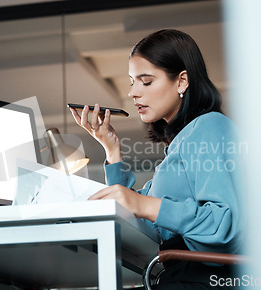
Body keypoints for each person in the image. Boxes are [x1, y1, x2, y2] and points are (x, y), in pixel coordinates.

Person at [70, 29, 243, 289]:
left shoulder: (210, 127)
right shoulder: (179, 145)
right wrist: (112, 150)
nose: (133, 93)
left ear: (182, 81)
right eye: (132, 82)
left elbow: (225, 225)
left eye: (146, 81)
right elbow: (148, 225)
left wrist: (144, 204)